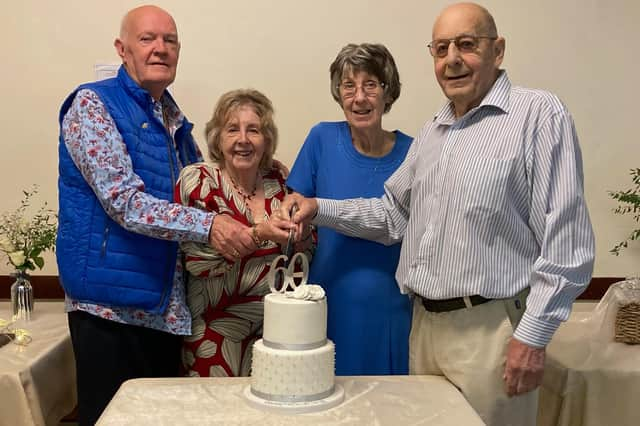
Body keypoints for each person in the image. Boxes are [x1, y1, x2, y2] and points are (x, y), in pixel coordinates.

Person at [281, 3, 595, 425]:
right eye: (441, 48)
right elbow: (393, 215)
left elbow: (568, 244)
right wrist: (320, 207)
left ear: (497, 50)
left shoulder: (538, 115)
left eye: (467, 45)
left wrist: (533, 336)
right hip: (423, 330)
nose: (452, 59)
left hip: (490, 332)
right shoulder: (434, 132)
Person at [56, 6, 271, 425]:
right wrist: (211, 225)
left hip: (166, 313)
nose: (160, 49)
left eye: (169, 41)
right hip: (110, 312)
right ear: (122, 49)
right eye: (147, 39)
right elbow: (125, 202)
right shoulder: (92, 105)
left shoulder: (175, 123)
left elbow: (202, 197)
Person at [286, 43, 412, 375]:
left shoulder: (414, 153)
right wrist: (293, 221)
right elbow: (295, 203)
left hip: (390, 311)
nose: (359, 97)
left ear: (388, 92)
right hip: (326, 304)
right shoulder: (322, 139)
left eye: (371, 85)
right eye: (348, 86)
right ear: (338, 94)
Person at [177, 89, 313, 377]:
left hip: (278, 336)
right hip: (214, 339)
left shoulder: (280, 181)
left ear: (266, 140)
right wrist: (260, 232)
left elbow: (305, 253)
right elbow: (198, 260)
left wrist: (302, 235)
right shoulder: (200, 181)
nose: (243, 140)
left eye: (253, 130)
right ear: (217, 138)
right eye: (232, 129)